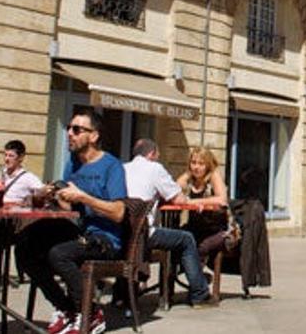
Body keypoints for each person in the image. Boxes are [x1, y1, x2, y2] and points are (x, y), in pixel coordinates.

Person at [16, 107, 126, 334]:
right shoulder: (72, 163)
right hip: (81, 231)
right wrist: (53, 196)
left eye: (77, 129)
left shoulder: (111, 165)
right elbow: (70, 206)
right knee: (25, 245)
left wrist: (83, 197)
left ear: (94, 136)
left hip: (106, 239)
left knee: (59, 254)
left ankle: (91, 313)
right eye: (69, 128)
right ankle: (66, 307)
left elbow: (118, 213)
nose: (70, 133)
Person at [123, 139, 211, 306]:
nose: (158, 159)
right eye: (158, 156)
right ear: (151, 154)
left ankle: (123, 294)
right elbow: (178, 198)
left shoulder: (122, 168)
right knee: (186, 239)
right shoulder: (155, 168)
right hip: (144, 234)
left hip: (123, 233)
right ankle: (200, 293)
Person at [176, 146, 230, 260]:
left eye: (201, 164)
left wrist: (194, 202)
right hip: (195, 227)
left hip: (217, 230)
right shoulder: (191, 178)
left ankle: (199, 277)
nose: (196, 167)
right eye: (193, 162)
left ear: (208, 165)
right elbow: (175, 188)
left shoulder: (213, 176)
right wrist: (187, 174)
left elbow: (222, 199)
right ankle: (172, 276)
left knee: (201, 248)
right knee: (174, 242)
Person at [0, 140, 44, 207]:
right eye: (5, 155)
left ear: (21, 157)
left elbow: (42, 193)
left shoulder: (28, 178)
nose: (6, 159)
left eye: (11, 156)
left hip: (15, 215)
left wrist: (29, 200)